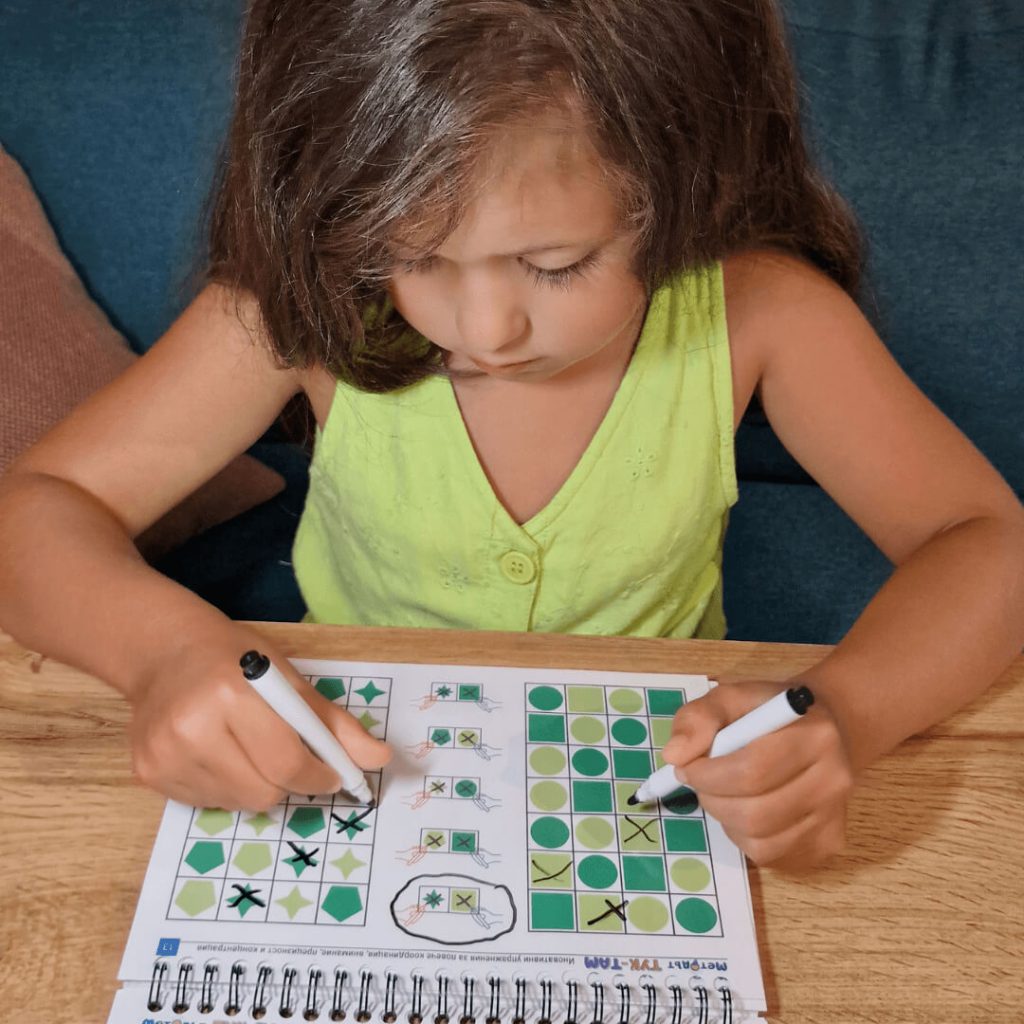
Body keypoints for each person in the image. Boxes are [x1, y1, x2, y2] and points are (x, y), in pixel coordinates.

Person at [0, 0, 1021, 869]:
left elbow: (988, 544)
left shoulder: (763, 312)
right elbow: (36, 512)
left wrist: (847, 709)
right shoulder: (302, 303)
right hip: (345, 771)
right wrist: (161, 651)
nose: (485, 331)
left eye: (555, 265)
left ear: (694, 188)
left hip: (650, 788)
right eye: (414, 256)